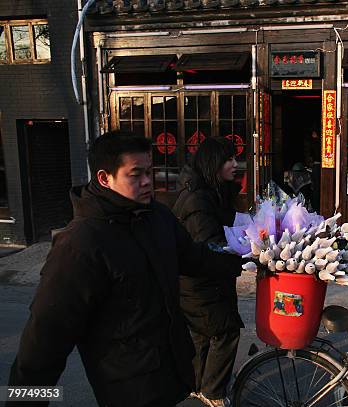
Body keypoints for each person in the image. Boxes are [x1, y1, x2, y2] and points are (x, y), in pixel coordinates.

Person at [7, 131, 242, 407]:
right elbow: (43, 342)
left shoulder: (157, 217)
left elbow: (195, 257)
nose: (147, 182)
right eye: (135, 174)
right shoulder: (81, 244)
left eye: (149, 172)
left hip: (170, 374)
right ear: (105, 178)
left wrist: (251, 259)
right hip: (128, 389)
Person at [172, 137, 243, 407]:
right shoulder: (197, 199)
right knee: (225, 331)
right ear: (214, 164)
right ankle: (213, 393)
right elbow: (210, 247)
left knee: (203, 337)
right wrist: (245, 254)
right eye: (229, 159)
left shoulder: (213, 191)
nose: (235, 164)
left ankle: (200, 386)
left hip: (201, 280)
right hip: (197, 283)